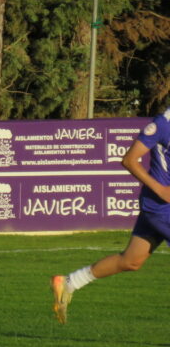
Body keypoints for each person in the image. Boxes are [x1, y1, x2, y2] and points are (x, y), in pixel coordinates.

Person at [51, 108, 170, 323]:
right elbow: (129, 160)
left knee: (131, 261)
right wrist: (160, 189)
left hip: (158, 208)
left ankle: (69, 282)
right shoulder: (163, 124)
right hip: (161, 207)